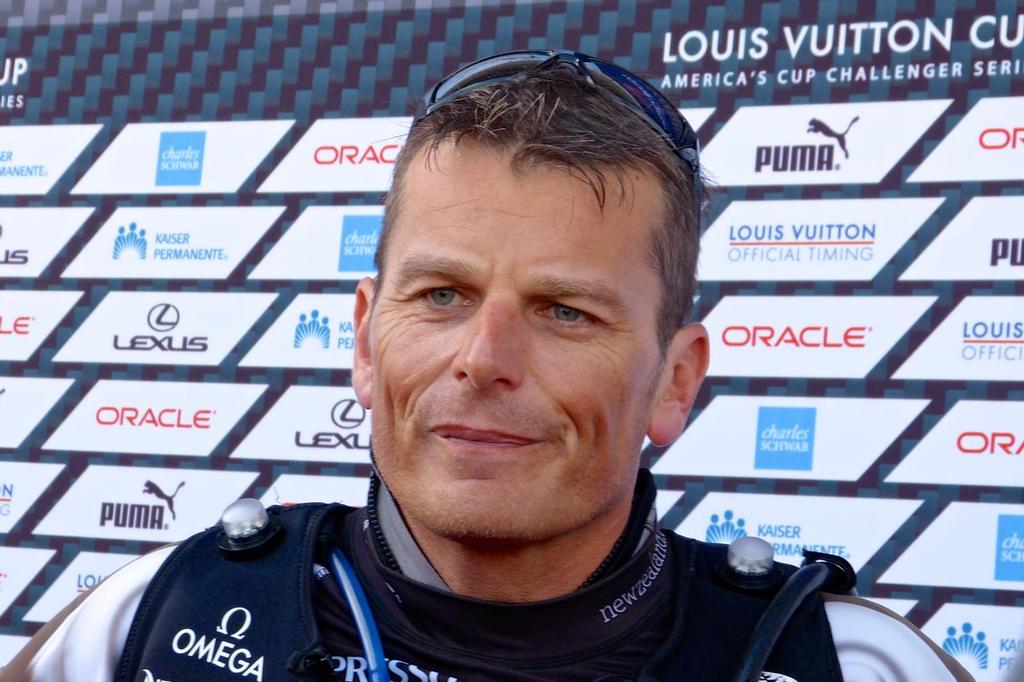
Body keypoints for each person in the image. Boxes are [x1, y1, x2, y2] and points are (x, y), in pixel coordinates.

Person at [4, 50, 970, 682]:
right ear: (364, 339)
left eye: (564, 311)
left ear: (675, 382)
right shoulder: (148, 621)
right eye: (442, 296)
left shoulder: (853, 664)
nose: (484, 359)